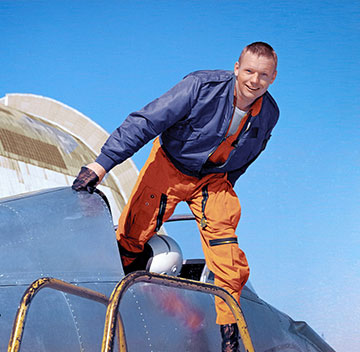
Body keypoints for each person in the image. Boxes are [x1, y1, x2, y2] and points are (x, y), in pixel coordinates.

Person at [72, 42, 278, 352]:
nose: (254, 81)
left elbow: (250, 153)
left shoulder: (269, 114)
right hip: (170, 165)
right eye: (249, 71)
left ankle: (229, 332)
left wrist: (224, 186)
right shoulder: (200, 87)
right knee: (133, 234)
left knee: (228, 256)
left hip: (213, 179)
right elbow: (147, 121)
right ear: (236, 68)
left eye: (263, 75)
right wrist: (101, 165)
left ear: (273, 77)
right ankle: (114, 303)